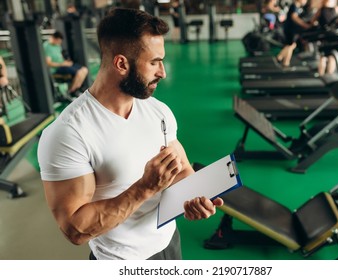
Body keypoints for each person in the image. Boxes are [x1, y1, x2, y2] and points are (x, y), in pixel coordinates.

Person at [37, 8, 223, 260]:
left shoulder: (159, 112)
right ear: (121, 63)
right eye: (154, 62)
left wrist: (193, 198)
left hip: (169, 245)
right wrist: (144, 188)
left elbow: (181, 169)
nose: (163, 72)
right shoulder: (68, 133)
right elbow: (75, 229)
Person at [43, 31, 88, 96]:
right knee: (79, 72)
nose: (59, 43)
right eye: (58, 41)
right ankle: (71, 91)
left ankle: (76, 89)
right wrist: (62, 64)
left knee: (84, 69)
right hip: (56, 68)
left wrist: (66, 62)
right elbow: (49, 63)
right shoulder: (47, 47)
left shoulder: (57, 45)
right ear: (54, 38)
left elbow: (60, 57)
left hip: (63, 65)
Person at [276, 0, 311, 67]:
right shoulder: (294, 6)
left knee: (292, 45)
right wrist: (304, 24)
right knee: (291, 45)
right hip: (291, 29)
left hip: (291, 29)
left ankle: (284, 61)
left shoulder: (296, 6)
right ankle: (281, 58)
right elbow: (294, 17)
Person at [310, 0, 338, 75]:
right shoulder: (335, 9)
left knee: (323, 56)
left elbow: (313, 21)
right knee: (331, 56)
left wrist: (317, 25)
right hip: (332, 35)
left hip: (324, 35)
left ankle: (321, 74)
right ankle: (329, 75)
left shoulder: (321, 10)